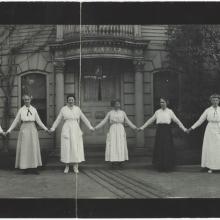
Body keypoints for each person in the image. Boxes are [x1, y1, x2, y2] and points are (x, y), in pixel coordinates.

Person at [49, 94, 94, 174]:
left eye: (72, 100)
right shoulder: (63, 109)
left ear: (74, 100)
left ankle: (75, 166)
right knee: (67, 147)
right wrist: (53, 128)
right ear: (67, 101)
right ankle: (67, 166)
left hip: (75, 129)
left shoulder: (77, 109)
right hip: (67, 129)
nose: (71, 101)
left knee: (75, 147)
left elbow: (84, 118)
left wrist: (90, 127)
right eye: (69, 100)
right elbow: (58, 119)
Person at [139, 97, 187, 172]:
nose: (162, 104)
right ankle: (160, 166)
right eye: (161, 102)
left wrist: (184, 129)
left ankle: (168, 166)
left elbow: (177, 121)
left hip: (167, 131)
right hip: (159, 131)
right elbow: (150, 120)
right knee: (160, 148)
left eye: (163, 102)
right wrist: (142, 128)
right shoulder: (157, 112)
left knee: (167, 148)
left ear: (167, 103)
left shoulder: (170, 112)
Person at [6, 94, 49, 174]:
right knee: (25, 149)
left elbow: (39, 121)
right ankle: (25, 168)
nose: (26, 101)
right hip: (24, 129)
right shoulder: (21, 110)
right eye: (25, 99)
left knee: (33, 148)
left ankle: (34, 168)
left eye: (28, 99)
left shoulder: (34, 109)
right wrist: (9, 130)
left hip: (32, 128)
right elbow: (15, 121)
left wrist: (46, 129)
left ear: (30, 100)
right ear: (23, 100)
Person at [94, 99, 138, 168]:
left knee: (120, 145)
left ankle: (121, 161)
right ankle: (113, 162)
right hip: (113, 130)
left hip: (120, 129)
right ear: (113, 105)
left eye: (118, 104)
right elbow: (104, 121)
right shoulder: (110, 113)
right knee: (113, 145)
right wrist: (96, 127)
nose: (117, 105)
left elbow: (128, 121)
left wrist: (135, 128)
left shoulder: (122, 113)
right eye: (116, 104)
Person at [187, 94, 220, 174]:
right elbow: (200, 120)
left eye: (216, 100)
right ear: (211, 101)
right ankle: (210, 166)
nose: (215, 102)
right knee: (210, 149)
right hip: (210, 131)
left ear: (219, 101)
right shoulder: (208, 110)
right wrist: (191, 128)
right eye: (213, 100)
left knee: (218, 149)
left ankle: (218, 167)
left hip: (219, 129)